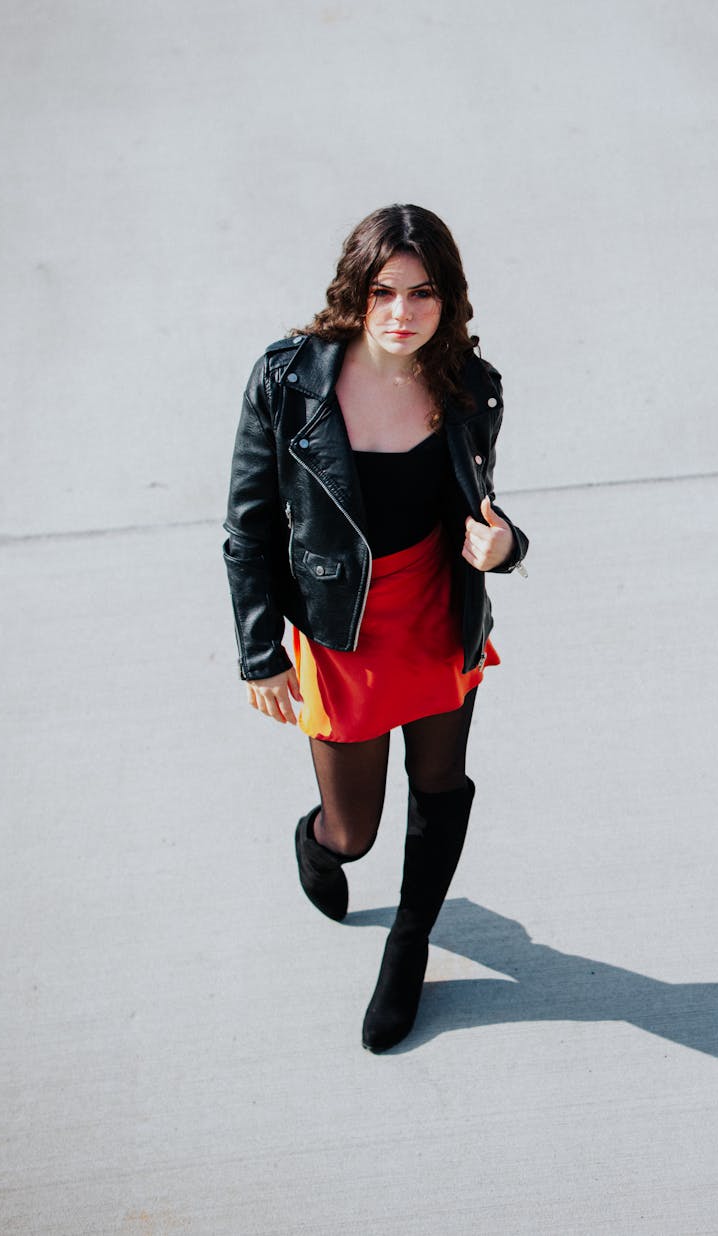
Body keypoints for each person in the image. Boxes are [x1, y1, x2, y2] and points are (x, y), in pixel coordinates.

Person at [223, 204, 528, 1052]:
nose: (403, 312)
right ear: (355, 293)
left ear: (448, 298)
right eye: (385, 291)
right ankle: (315, 842)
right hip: (339, 629)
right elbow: (246, 527)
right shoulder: (290, 383)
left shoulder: (469, 384)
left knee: (442, 786)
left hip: (436, 613)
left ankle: (409, 948)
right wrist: (260, 656)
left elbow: (485, 512)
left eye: (423, 292)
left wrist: (506, 549)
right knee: (354, 833)